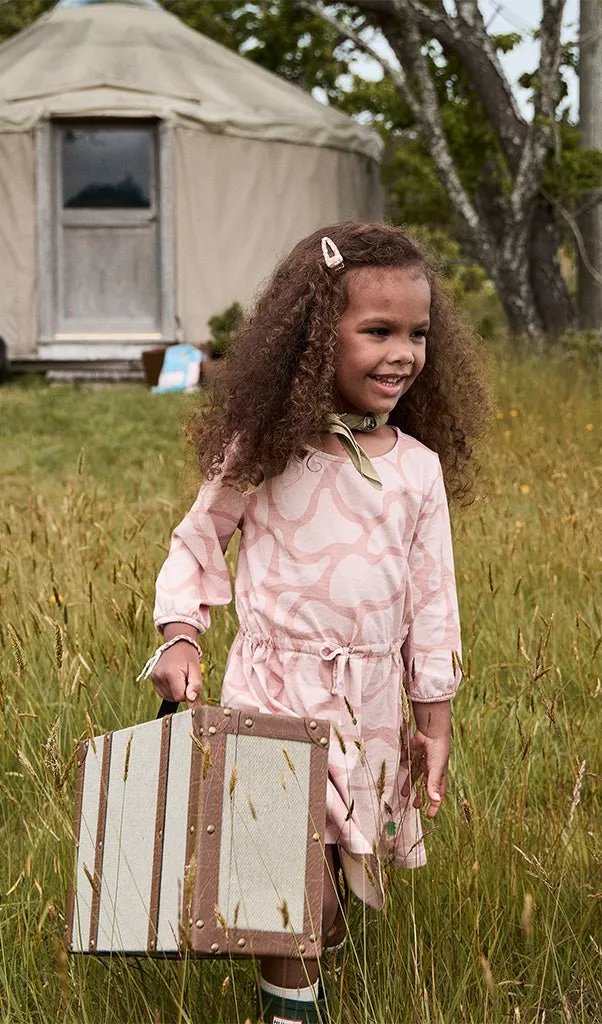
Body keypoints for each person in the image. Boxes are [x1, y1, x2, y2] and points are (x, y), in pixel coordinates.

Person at [144, 222, 489, 1024]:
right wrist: (181, 632)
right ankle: (291, 1009)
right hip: (274, 691)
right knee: (286, 889)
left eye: (418, 334)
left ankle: (299, 982)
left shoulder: (417, 470)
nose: (402, 352)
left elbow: (433, 601)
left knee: (329, 887)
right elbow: (199, 542)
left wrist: (433, 718)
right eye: (377, 331)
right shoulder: (265, 450)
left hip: (367, 704)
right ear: (313, 337)